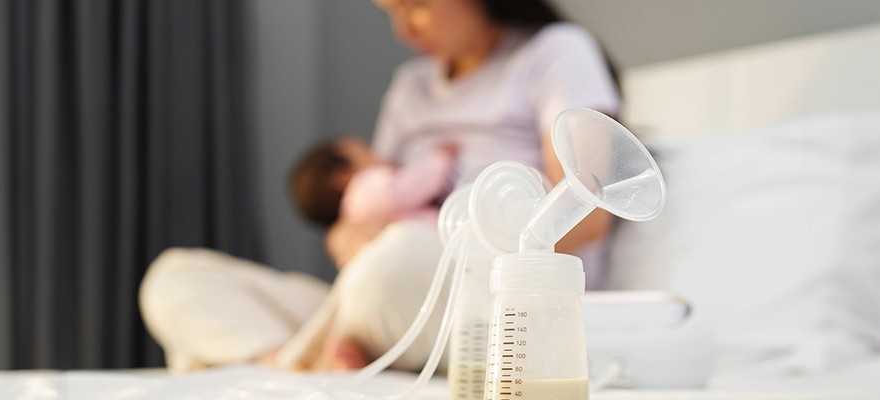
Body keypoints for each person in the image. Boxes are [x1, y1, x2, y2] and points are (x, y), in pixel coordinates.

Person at [139, 0, 619, 374]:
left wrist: (458, 240)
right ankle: (291, 363)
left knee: (399, 255)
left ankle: (305, 363)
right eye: (391, 12)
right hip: (384, 292)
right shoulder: (410, 87)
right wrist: (347, 237)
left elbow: (589, 216)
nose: (404, 30)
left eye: (417, 6)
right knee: (175, 277)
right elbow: (371, 204)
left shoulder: (555, 52)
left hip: (494, 296)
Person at [290, 136, 457, 266]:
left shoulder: (354, 217)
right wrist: (440, 159)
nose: (379, 156)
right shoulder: (363, 189)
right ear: (342, 177)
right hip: (439, 237)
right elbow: (405, 190)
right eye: (367, 152)